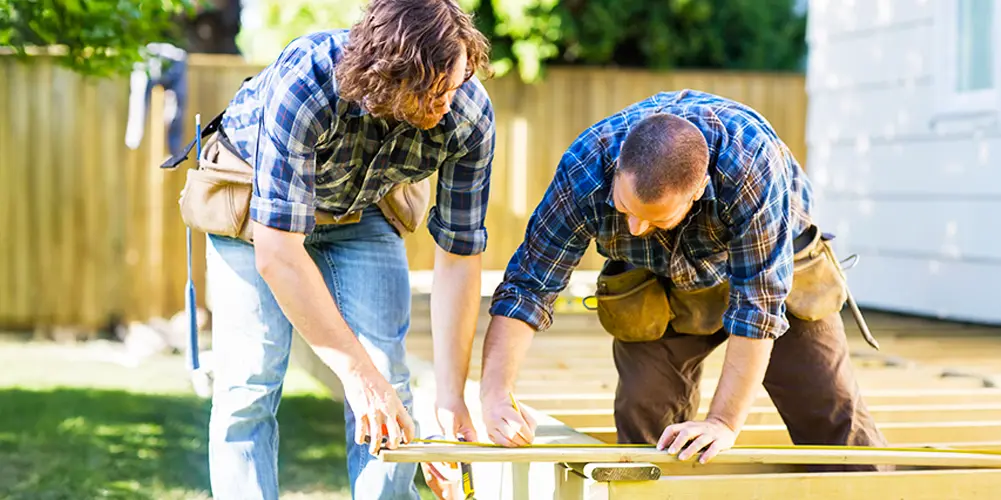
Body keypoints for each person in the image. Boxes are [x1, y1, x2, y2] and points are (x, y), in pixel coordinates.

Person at [477, 89, 891, 470]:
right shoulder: (585, 170)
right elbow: (529, 286)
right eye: (624, 206)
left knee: (832, 417)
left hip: (777, 273)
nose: (636, 227)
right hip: (655, 279)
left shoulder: (749, 163)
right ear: (618, 166)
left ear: (696, 192)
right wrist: (495, 394)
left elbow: (758, 308)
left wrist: (723, 423)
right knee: (646, 423)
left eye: (656, 217)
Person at [194, 0, 495, 497]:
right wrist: (357, 376)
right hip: (256, 209)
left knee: (389, 378)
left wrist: (450, 396)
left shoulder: (468, 113)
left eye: (457, 82)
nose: (449, 101)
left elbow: (460, 255)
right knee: (249, 382)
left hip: (362, 210)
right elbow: (277, 253)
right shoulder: (309, 80)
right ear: (388, 76)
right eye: (433, 91)